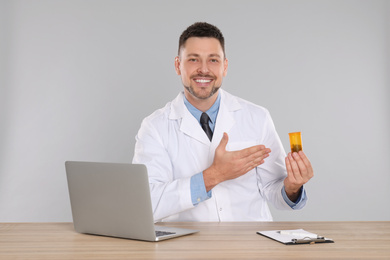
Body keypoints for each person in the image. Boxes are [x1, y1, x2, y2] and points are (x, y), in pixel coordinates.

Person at [132, 22, 313, 222]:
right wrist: (214, 176)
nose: (203, 69)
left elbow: (274, 190)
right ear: (177, 65)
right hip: (188, 248)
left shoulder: (257, 117)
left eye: (213, 60)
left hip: (251, 246)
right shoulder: (154, 127)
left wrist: (292, 186)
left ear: (225, 66)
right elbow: (149, 202)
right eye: (193, 59)